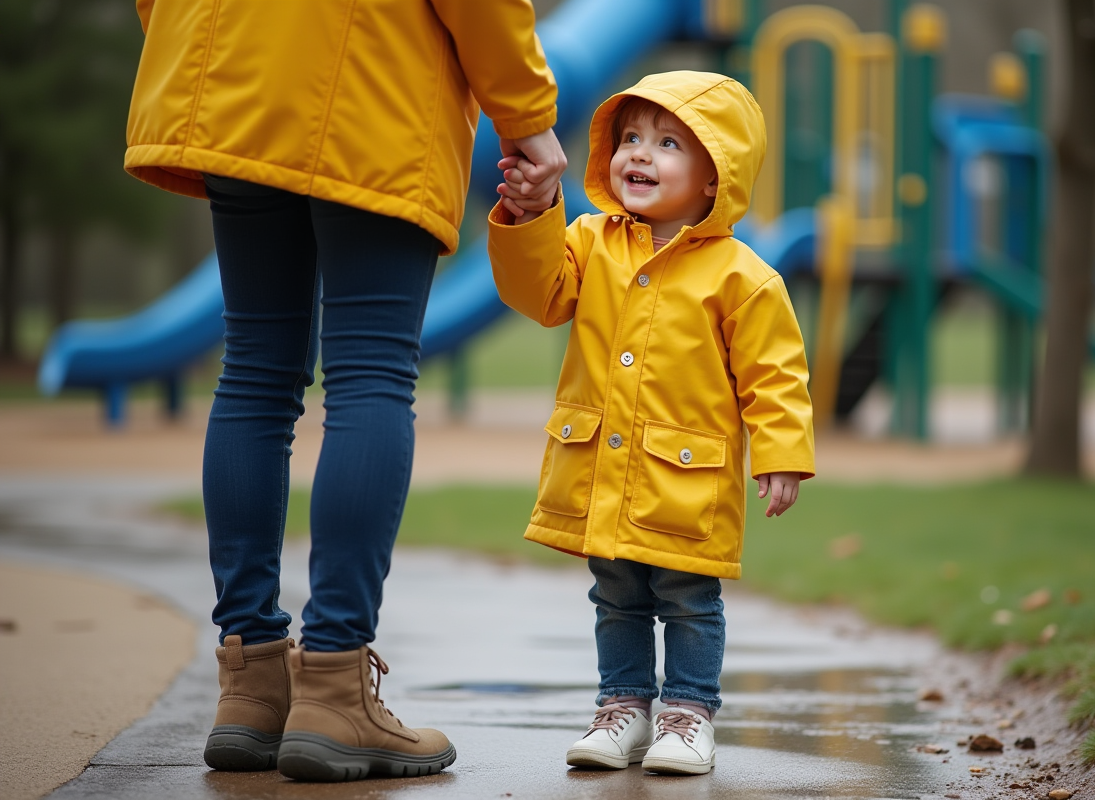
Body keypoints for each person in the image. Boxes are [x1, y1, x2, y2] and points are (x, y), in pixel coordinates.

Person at [123, 0, 566, 782]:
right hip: (371, 81)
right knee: (370, 376)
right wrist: (525, 112)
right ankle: (332, 687)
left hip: (229, 70)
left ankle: (250, 686)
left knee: (255, 373)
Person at [488, 71, 816, 775]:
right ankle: (623, 709)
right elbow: (539, 294)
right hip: (602, 472)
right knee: (615, 597)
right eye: (630, 137)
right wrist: (530, 216)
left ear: (713, 179)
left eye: (668, 143)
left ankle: (689, 716)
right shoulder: (589, 240)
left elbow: (775, 377)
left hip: (685, 480)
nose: (640, 153)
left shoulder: (743, 277)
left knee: (689, 600)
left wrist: (781, 453)